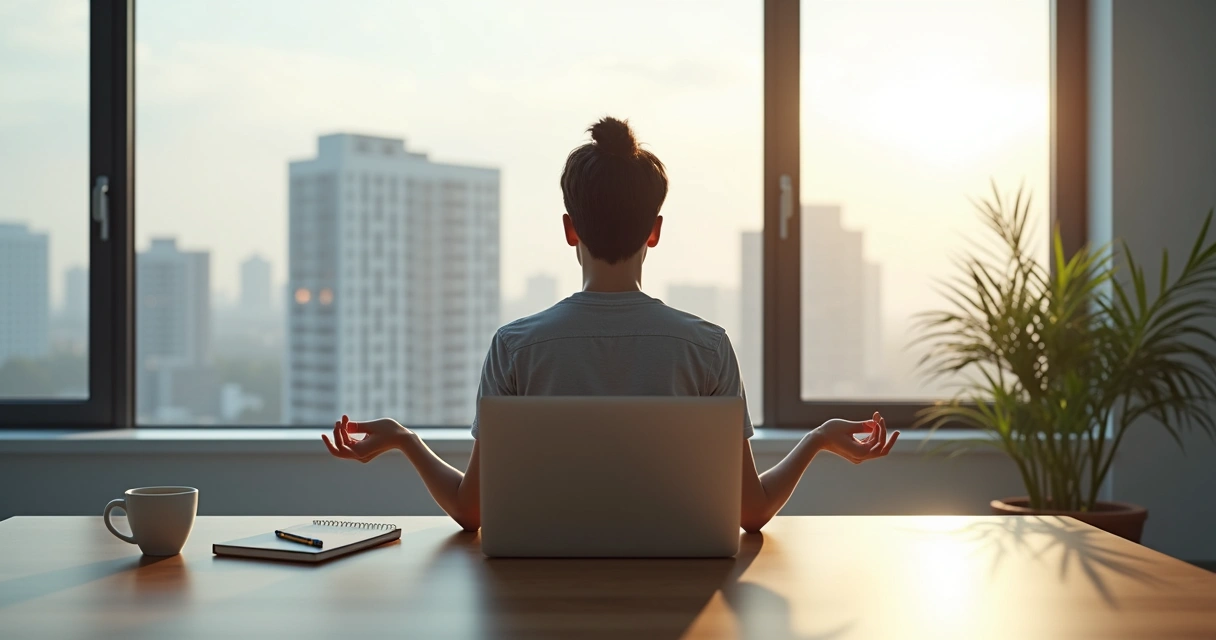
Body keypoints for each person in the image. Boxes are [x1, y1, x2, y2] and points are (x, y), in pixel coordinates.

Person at [322, 116, 898, 533]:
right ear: (655, 231)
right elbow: (750, 514)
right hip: (677, 598)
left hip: (540, 599)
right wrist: (818, 439)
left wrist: (405, 440)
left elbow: (473, 513)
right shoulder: (707, 347)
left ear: (570, 229)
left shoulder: (515, 347)